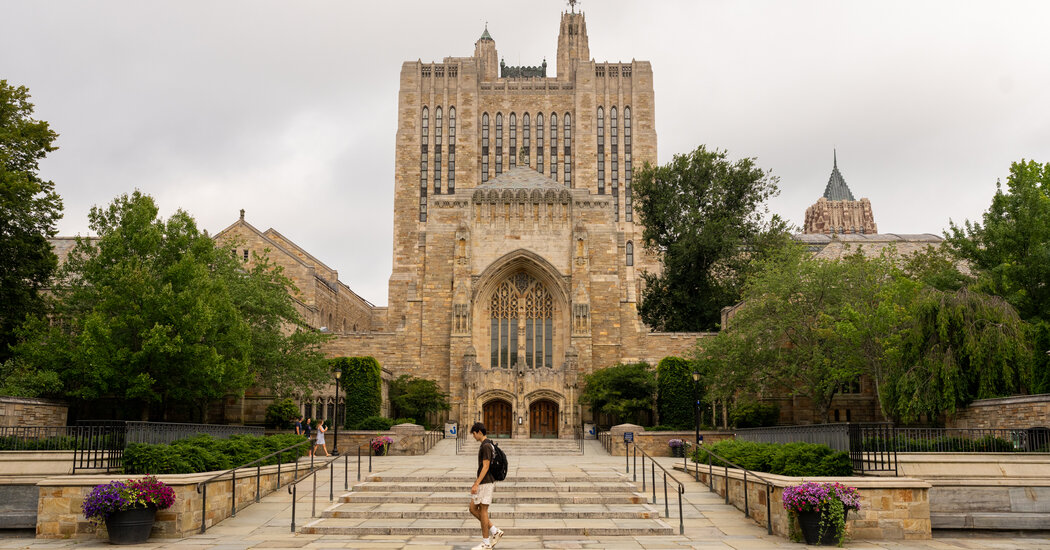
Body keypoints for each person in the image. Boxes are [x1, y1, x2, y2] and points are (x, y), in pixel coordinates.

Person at [468, 422, 503, 549]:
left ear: (479, 432)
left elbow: (486, 466)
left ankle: (486, 543)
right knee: (472, 508)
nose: (473, 436)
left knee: (483, 510)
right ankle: (494, 530)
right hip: (483, 482)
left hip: (485, 482)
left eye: (474, 433)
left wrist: (476, 483)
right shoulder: (486, 444)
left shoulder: (487, 446)